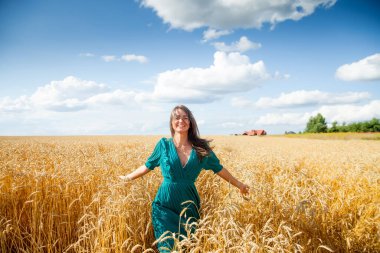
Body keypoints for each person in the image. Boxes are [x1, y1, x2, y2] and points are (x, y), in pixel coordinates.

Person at [119, 105, 250, 252]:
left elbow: (219, 168)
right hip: (164, 206)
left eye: (185, 117)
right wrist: (127, 178)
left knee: (187, 247)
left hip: (188, 206)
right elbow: (147, 166)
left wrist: (240, 185)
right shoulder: (164, 145)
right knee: (166, 248)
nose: (181, 120)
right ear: (171, 122)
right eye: (177, 117)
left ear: (191, 122)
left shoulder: (201, 148)